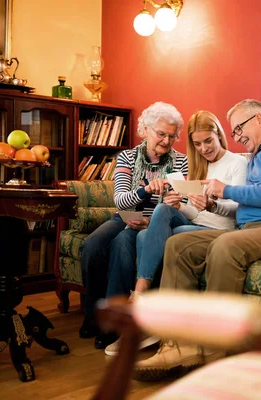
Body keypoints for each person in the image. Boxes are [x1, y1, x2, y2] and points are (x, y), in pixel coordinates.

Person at [133, 99, 261, 381]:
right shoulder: (258, 155)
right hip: (254, 231)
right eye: (234, 132)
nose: (237, 137)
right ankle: (176, 344)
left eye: (238, 129)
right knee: (178, 245)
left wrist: (228, 190)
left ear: (259, 120)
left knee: (226, 245)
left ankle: (213, 348)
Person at [103, 111, 248, 355]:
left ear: (219, 135)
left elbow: (239, 210)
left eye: (208, 141)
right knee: (160, 211)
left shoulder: (238, 163)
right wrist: (180, 204)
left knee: (146, 236)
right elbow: (194, 210)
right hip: (196, 221)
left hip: (219, 228)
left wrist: (211, 204)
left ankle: (141, 301)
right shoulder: (199, 165)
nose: (203, 148)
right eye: (197, 144)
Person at [78, 101, 187, 350]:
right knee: (92, 245)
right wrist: (145, 189)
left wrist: (158, 214)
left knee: (121, 244)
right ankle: (92, 316)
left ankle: (114, 323)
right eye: (161, 134)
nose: (166, 141)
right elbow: (120, 200)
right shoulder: (127, 157)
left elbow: (181, 202)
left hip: (154, 222)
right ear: (145, 130)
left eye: (172, 136)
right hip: (126, 215)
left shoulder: (181, 162)